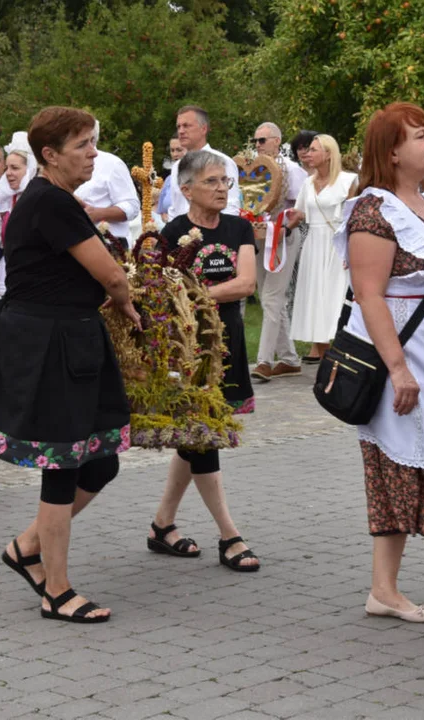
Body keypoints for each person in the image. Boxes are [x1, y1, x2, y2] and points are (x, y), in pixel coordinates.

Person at [334, 102, 424, 628]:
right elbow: (370, 296)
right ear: (391, 151)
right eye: (421, 136)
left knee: (398, 467)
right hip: (405, 362)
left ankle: (384, 590)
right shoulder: (373, 211)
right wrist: (398, 369)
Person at [0, 106, 139, 623]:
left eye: (93, 143)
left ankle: (26, 547)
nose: (93, 153)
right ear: (49, 155)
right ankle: (57, 590)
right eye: (82, 145)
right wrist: (125, 303)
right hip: (51, 342)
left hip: (70, 338)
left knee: (102, 461)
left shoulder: (54, 199)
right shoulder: (51, 200)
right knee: (62, 465)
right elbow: (111, 275)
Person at [146, 149, 260, 572]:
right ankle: (230, 536)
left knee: (194, 438)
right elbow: (161, 292)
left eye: (225, 182)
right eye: (211, 182)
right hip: (189, 349)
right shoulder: (171, 234)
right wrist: (196, 296)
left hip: (226, 342)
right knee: (202, 438)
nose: (220, 189)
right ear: (186, 188)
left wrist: (194, 294)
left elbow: (246, 283)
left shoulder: (238, 228)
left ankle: (162, 526)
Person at [287, 134, 358, 362]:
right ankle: (321, 347)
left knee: (336, 293)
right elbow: (299, 214)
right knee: (315, 292)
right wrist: (275, 225)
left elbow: (354, 216)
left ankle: (342, 344)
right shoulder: (307, 183)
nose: (308, 154)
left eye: (314, 149)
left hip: (337, 243)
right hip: (313, 243)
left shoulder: (349, 181)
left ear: (328, 153)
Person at [250, 121, 308, 382]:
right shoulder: (253, 171)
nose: (258, 146)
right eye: (255, 141)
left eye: (262, 140)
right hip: (259, 237)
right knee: (266, 296)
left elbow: (300, 206)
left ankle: (264, 360)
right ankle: (289, 358)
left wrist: (285, 226)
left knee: (273, 297)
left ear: (276, 141)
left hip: (282, 237)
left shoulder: (293, 170)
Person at [165, 106, 241, 219]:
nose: (181, 131)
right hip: (181, 233)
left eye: (186, 126)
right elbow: (176, 207)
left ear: (203, 129)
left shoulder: (222, 162)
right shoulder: (177, 167)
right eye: (178, 126)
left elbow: (231, 207)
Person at [0, 142, 38, 298]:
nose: (8, 173)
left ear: (30, 170)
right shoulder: (2, 203)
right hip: (6, 269)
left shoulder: (40, 200)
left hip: (36, 272)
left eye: (15, 168)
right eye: (7, 168)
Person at [74, 121, 140, 243]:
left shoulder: (111, 164)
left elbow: (132, 206)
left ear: (93, 139)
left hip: (110, 244)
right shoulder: (64, 164)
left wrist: (97, 213)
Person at [158, 136, 185, 223]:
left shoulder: (198, 175)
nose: (175, 154)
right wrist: (165, 217)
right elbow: (161, 209)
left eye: (179, 150)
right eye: (172, 150)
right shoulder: (169, 180)